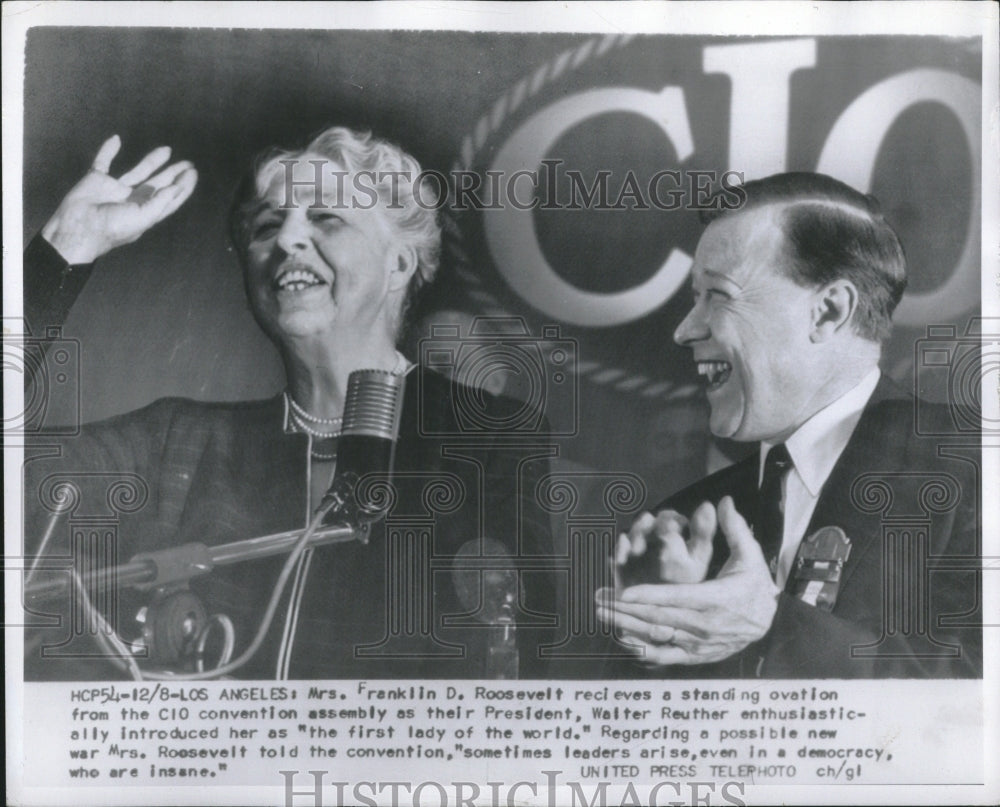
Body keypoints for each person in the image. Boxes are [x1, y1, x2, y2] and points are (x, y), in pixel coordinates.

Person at [23, 128, 556, 680]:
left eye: (326, 217)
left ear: (399, 265)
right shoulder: (176, 444)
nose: (286, 241)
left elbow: (530, 652)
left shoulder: (486, 437)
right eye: (267, 225)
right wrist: (64, 248)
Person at [598, 173, 981, 678]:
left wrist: (773, 627)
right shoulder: (687, 521)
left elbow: (980, 710)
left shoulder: (977, 470)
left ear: (828, 311)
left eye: (717, 294)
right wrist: (658, 638)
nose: (685, 329)